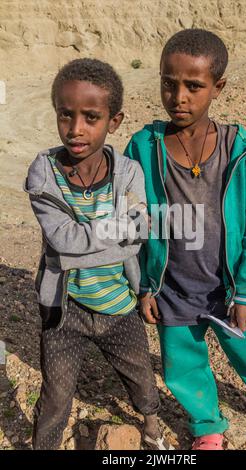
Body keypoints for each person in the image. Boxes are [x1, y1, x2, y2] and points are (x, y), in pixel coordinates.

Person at [124, 29, 246, 450]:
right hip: (172, 287)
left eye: (193, 86)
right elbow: (135, 225)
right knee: (183, 366)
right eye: (169, 82)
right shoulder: (143, 148)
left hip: (228, 289)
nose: (178, 96)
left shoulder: (242, 152)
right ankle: (207, 425)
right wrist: (146, 286)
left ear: (217, 88)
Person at [24, 58, 173, 450]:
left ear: (115, 120)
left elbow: (138, 234)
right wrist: (116, 235)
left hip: (119, 304)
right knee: (56, 395)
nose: (76, 129)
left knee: (141, 375)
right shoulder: (45, 174)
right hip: (65, 309)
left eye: (91, 117)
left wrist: (116, 251)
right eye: (65, 115)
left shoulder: (127, 173)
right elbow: (63, 241)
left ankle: (152, 427)